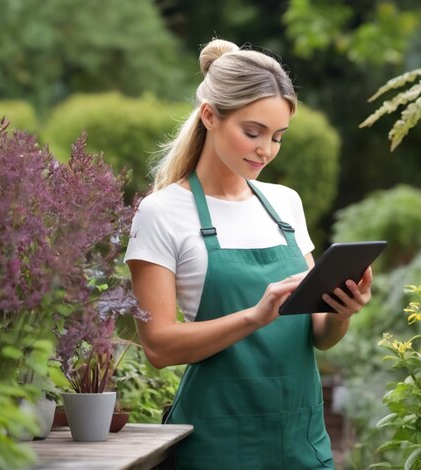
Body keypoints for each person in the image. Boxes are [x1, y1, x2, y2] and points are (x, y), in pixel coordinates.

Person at [124, 38, 374, 470]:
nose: (267, 150)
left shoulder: (286, 203)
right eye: (253, 132)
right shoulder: (161, 212)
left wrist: (341, 312)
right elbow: (159, 346)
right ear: (209, 116)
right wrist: (253, 317)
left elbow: (319, 334)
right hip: (215, 445)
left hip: (302, 443)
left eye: (278, 137)